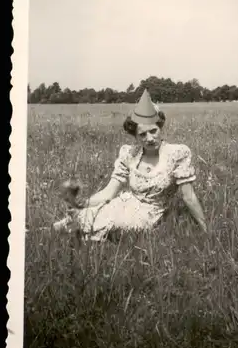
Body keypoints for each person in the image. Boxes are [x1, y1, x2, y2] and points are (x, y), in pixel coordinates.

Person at [54, 89, 207, 241]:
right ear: (135, 136)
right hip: (124, 204)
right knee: (80, 218)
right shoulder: (129, 154)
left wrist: (206, 229)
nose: (150, 138)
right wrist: (83, 203)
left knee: (115, 226)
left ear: (160, 128)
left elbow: (189, 197)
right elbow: (109, 192)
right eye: (142, 134)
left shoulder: (177, 154)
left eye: (153, 131)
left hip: (150, 214)